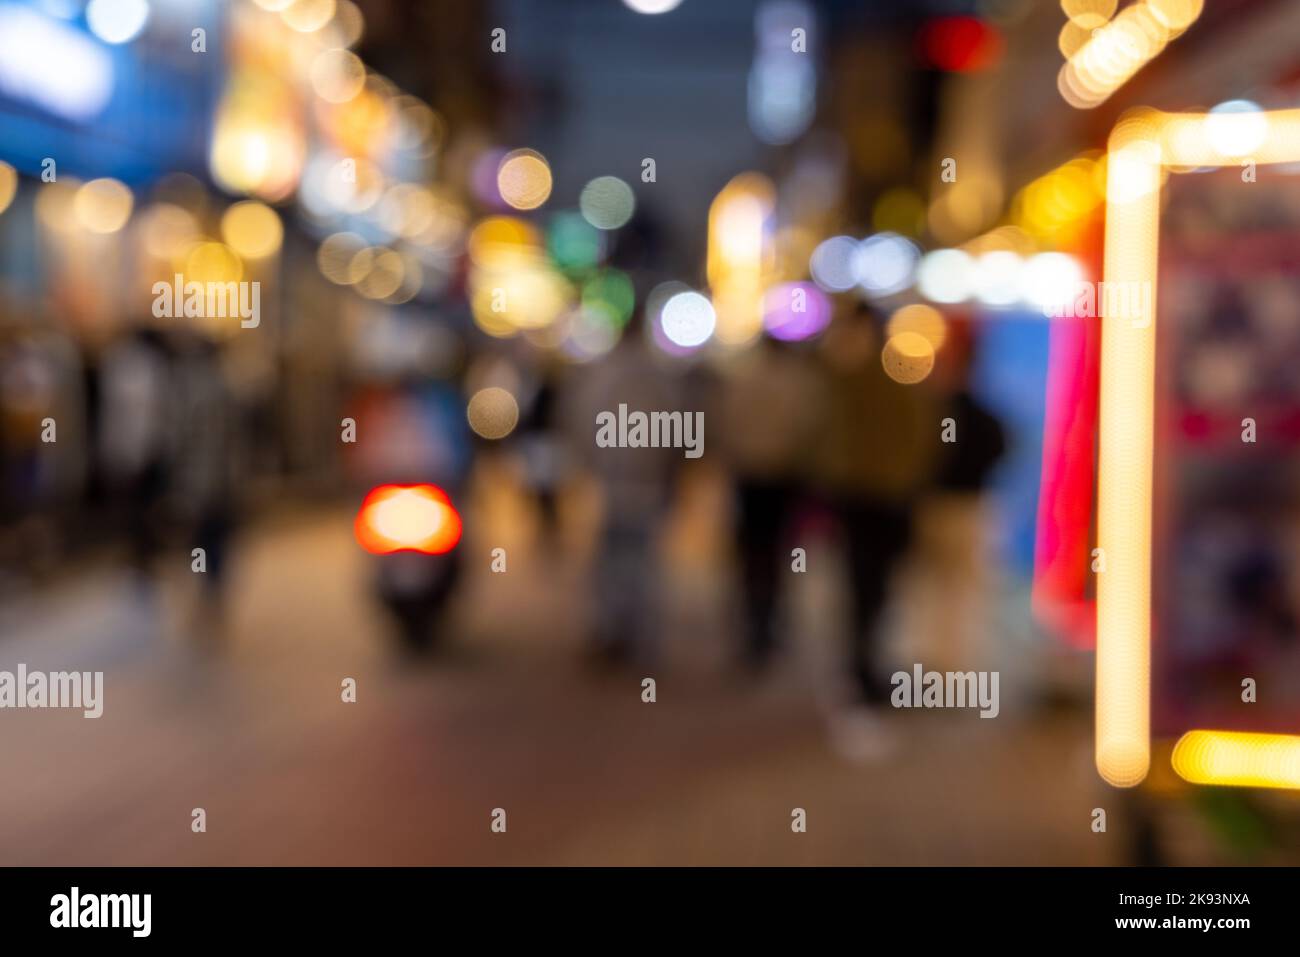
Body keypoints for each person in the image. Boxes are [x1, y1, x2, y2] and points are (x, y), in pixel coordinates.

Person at [810, 301, 938, 758]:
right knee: (867, 589)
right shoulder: (862, 377)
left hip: (875, 499)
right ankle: (863, 668)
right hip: (872, 499)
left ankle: (864, 668)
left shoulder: (867, 377)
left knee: (870, 589)